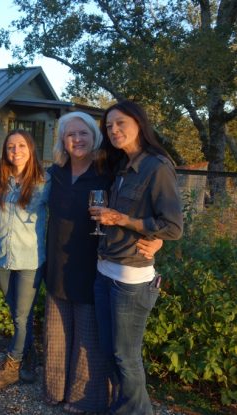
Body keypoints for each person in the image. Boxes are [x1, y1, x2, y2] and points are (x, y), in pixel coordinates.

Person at [44, 111, 163, 414]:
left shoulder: (108, 171)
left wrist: (157, 237)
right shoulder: (55, 173)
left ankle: (86, 398)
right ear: (62, 140)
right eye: (71, 134)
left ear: (94, 137)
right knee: (58, 332)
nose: (77, 139)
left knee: (88, 338)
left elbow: (143, 206)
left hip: (94, 262)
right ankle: (55, 391)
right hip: (57, 261)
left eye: (83, 133)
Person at [90, 100, 183, 415]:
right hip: (105, 272)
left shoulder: (157, 167)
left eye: (120, 123)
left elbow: (172, 226)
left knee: (125, 356)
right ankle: (124, 407)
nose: (114, 130)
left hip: (131, 279)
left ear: (139, 124)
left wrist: (122, 220)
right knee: (110, 351)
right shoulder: (120, 166)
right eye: (109, 126)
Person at [0, 129, 49, 389]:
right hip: (2, 258)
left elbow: (67, 211)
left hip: (30, 260)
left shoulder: (45, 182)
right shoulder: (0, 179)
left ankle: (11, 366)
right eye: (11, 147)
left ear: (31, 148)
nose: (16, 151)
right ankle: (30, 356)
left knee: (21, 317)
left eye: (21, 145)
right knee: (19, 313)